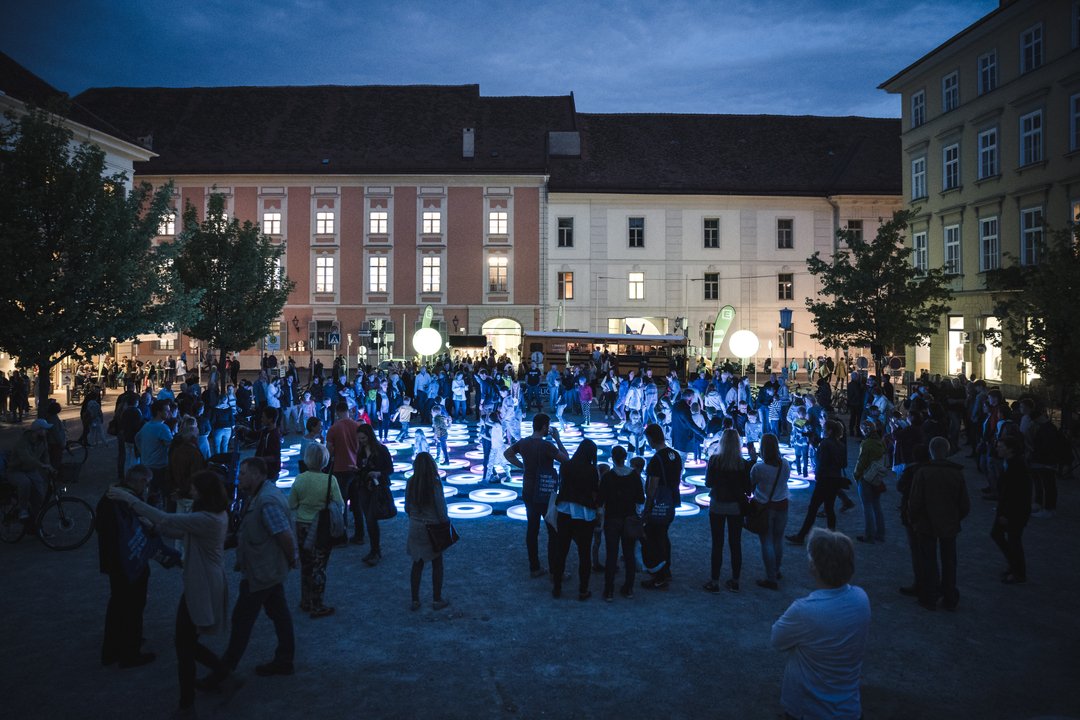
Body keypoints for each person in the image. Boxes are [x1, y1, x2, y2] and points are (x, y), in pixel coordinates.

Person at [107, 471, 233, 716]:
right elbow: (180, 530)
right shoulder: (212, 515)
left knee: (184, 644)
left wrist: (129, 499)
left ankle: (189, 702)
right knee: (186, 642)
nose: (191, 491)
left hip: (202, 584)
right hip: (203, 582)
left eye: (195, 488)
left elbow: (168, 519)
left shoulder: (207, 518)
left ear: (204, 493)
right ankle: (219, 677)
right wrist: (155, 527)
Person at [771, 528, 870, 720]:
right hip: (849, 708)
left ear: (814, 566)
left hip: (808, 710)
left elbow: (776, 640)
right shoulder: (861, 598)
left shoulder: (804, 610)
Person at [95, 464, 158, 669]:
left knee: (117, 604)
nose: (148, 488)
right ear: (140, 481)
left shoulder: (109, 497)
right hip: (131, 561)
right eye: (147, 483)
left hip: (114, 561)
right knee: (133, 606)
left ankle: (112, 649)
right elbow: (144, 526)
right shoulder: (128, 501)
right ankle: (130, 653)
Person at [504, 413, 570, 577]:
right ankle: (555, 570)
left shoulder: (524, 442)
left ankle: (535, 567)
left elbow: (507, 454)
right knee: (553, 531)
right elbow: (566, 459)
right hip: (545, 491)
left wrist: (522, 466)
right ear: (544, 427)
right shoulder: (547, 446)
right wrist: (558, 439)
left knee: (532, 529)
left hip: (528, 490)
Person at [908, 436, 970, 611]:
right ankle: (949, 596)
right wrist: (955, 518)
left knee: (928, 561)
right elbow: (964, 504)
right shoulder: (956, 473)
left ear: (930, 451)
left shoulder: (923, 472)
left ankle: (930, 596)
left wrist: (914, 519)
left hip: (926, 524)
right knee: (949, 562)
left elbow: (915, 501)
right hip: (949, 524)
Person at [289, 442, 342, 617]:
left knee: (306, 565)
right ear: (325, 460)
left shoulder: (300, 479)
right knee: (319, 566)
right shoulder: (330, 480)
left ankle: (305, 600)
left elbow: (292, 504)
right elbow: (339, 503)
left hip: (302, 526)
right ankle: (317, 604)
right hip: (322, 528)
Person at [704, 429, 755, 593]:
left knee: (717, 544)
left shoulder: (714, 460)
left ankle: (714, 581)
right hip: (736, 507)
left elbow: (708, 483)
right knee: (735, 543)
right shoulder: (743, 464)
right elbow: (748, 489)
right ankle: (735, 580)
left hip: (717, 504)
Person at [551, 439, 601, 600]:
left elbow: (561, 486)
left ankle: (557, 587)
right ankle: (583, 590)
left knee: (561, 550)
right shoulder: (592, 470)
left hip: (564, 511)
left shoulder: (566, 466)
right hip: (585, 514)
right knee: (584, 553)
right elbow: (595, 493)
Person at [597, 445, 645, 601]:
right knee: (629, 554)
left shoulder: (608, 477)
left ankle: (609, 590)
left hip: (612, 519)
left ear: (612, 458)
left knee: (611, 554)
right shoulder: (634, 476)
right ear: (625, 458)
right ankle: (628, 588)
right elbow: (640, 499)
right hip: (629, 518)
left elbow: (600, 500)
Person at [787, 420, 847, 545]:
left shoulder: (825, 444)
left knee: (813, 508)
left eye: (824, 428)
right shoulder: (841, 445)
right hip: (835, 479)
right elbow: (844, 464)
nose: (822, 430)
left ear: (829, 430)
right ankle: (832, 535)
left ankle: (801, 536)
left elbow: (821, 462)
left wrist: (818, 476)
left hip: (824, 479)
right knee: (829, 508)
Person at [405, 452, 452, 611]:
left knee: (417, 564)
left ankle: (414, 600)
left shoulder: (410, 482)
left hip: (415, 526)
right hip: (432, 528)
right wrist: (446, 523)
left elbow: (406, 507)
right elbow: (441, 507)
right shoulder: (434, 483)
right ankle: (436, 599)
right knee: (437, 563)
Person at [640, 423, 683, 590]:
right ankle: (666, 570)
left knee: (654, 537)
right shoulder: (675, 455)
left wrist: (646, 508)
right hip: (671, 501)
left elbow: (652, 488)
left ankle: (659, 575)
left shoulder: (655, 460)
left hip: (658, 505)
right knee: (663, 535)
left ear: (650, 439)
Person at [751, 433, 790, 590]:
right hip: (782, 504)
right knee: (778, 539)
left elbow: (751, 484)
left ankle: (771, 577)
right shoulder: (785, 464)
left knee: (766, 541)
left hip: (764, 507)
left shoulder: (759, 467)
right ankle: (777, 569)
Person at [991, 434, 1032, 585]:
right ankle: (1014, 564)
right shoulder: (1010, 463)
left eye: (1001, 447)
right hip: (1009, 509)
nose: (998, 449)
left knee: (1013, 539)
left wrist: (1006, 514)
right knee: (1002, 536)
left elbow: (1017, 494)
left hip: (1014, 512)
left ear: (1010, 450)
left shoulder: (1016, 467)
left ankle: (1018, 572)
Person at [356, 423, 394, 566]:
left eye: (363, 438)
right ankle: (374, 550)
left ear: (370, 436)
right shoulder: (360, 451)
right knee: (369, 519)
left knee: (372, 519)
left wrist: (378, 473)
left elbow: (390, 469)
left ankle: (375, 551)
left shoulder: (381, 450)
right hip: (363, 487)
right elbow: (360, 468)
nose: (361, 441)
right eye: (359, 439)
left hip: (377, 488)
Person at [325, 401, 362, 544]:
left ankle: (342, 535)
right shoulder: (357, 426)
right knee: (357, 503)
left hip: (340, 469)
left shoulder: (333, 428)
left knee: (341, 504)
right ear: (349, 411)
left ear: (336, 412)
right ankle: (360, 534)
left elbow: (328, 450)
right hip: (355, 468)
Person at [7, 419, 53, 519]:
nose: (47, 432)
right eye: (45, 429)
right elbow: (26, 458)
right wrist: (41, 465)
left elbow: (46, 455)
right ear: (38, 431)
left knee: (40, 490)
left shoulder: (42, 441)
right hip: (16, 470)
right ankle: (22, 509)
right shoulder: (23, 442)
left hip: (31, 470)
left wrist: (49, 466)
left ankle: (35, 517)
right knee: (25, 483)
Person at [852, 420, 887, 544]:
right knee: (877, 505)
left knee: (867, 506)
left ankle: (869, 535)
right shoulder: (880, 442)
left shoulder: (866, 443)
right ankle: (880, 533)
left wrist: (856, 475)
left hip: (866, 477)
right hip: (877, 477)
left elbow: (861, 461)